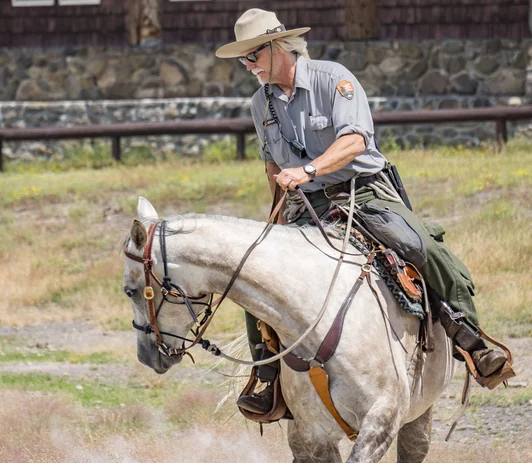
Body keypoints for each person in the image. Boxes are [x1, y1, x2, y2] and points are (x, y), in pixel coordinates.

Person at [215, 8, 511, 415]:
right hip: (306, 203)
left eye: (252, 56)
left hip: (363, 191)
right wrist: (277, 214)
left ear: (277, 46)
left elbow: (354, 141)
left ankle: (471, 339)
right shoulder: (259, 103)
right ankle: (266, 377)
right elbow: (271, 165)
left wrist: (309, 170)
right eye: (242, 59)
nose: (247, 66)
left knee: (419, 246)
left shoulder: (333, 78)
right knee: (258, 272)